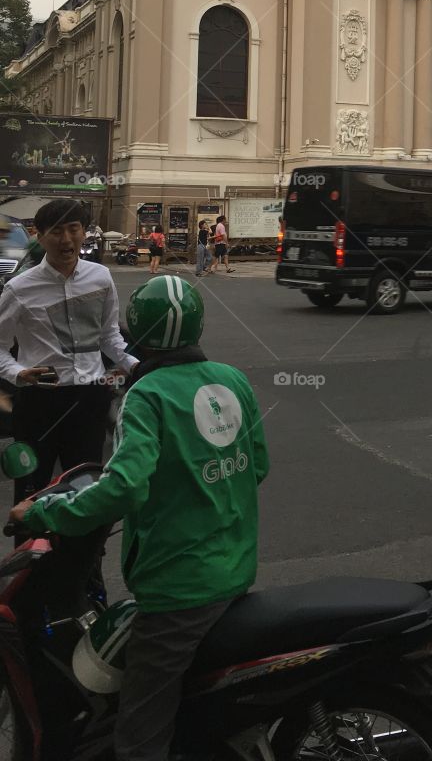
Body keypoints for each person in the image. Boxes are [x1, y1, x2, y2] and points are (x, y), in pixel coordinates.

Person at [9, 275, 269, 761]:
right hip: (235, 570)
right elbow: (257, 466)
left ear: (137, 333)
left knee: (139, 735)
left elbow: (124, 486)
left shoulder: (145, 396)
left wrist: (46, 510)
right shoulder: (233, 379)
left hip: (178, 589)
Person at [0, 198, 139, 504]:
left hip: (89, 401)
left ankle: (84, 554)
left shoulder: (100, 277)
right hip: (39, 403)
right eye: (57, 231)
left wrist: (135, 365)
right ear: (40, 236)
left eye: (74, 229)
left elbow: (108, 336)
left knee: (86, 492)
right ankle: (30, 551)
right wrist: (19, 373)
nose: (66, 239)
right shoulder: (19, 289)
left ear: (84, 232)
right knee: (31, 494)